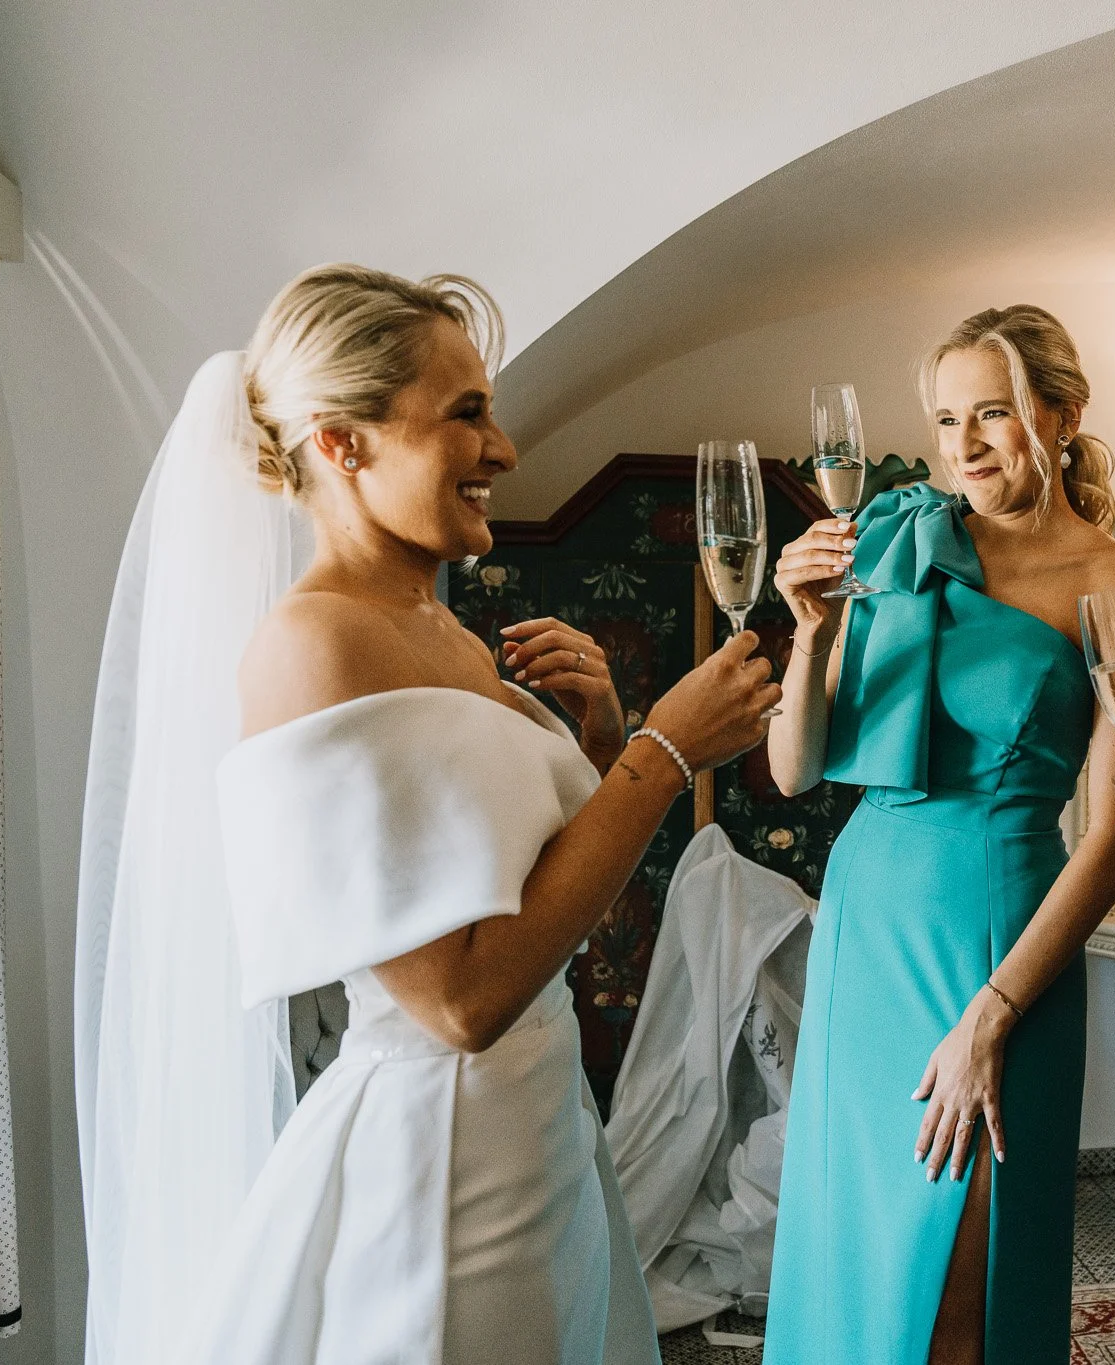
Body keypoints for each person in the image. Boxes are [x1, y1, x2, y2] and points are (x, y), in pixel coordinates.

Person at [88, 264, 783, 1365]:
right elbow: (458, 1001)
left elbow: (539, 925)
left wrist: (605, 743)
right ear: (343, 443)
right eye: (465, 414)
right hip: (445, 1172)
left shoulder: (450, 635)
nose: (501, 450)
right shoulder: (313, 646)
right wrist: (660, 757)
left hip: (539, 1125)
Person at [761, 306, 1115, 1364]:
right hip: (863, 927)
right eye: (945, 420)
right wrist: (810, 631)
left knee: (957, 1289)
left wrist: (992, 1013)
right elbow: (794, 770)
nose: (964, 446)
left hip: (994, 941)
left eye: (993, 413)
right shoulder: (900, 539)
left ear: (1063, 416)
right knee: (857, 1257)